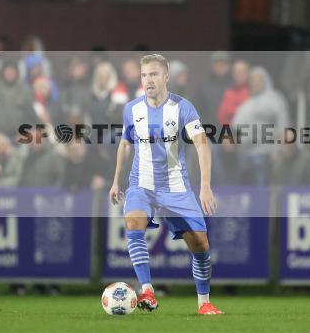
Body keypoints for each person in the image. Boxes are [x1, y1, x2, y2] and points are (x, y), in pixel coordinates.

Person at [109, 53, 223, 316]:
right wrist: (116, 180)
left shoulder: (183, 107)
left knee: (201, 246)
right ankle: (147, 290)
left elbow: (202, 146)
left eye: (153, 74)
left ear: (166, 77)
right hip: (141, 184)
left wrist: (205, 186)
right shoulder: (132, 109)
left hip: (176, 187)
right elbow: (126, 144)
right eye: (144, 75)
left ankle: (204, 302)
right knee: (133, 223)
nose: (148, 80)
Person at [232, 67, 289, 186]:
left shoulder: (275, 99)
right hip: (243, 152)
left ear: (265, 81)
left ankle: (261, 201)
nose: (255, 83)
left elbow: (283, 125)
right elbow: (235, 126)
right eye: (252, 80)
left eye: (258, 79)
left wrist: (276, 150)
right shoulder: (246, 104)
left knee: (259, 182)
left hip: (265, 152)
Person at [217, 59, 250, 126]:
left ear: (247, 74)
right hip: (230, 132)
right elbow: (221, 117)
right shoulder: (229, 92)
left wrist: (232, 112)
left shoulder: (253, 92)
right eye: (235, 72)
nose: (238, 75)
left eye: (241, 72)